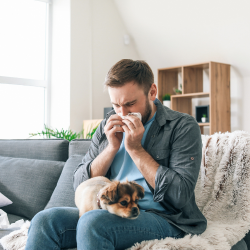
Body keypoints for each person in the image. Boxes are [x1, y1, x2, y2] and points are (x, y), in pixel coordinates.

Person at [25, 59, 207, 250]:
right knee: (44, 221)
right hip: (109, 211)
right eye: (115, 105)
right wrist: (111, 148)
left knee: (92, 222)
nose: (122, 112)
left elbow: (180, 195)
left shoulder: (182, 126)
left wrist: (136, 149)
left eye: (130, 104)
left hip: (163, 217)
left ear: (152, 92)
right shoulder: (107, 126)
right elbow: (79, 185)